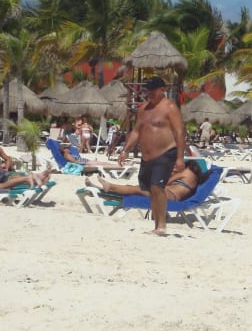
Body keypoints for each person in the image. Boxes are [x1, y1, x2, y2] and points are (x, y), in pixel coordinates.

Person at [117, 75, 186, 236]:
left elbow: (179, 131)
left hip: (166, 152)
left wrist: (180, 158)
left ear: (162, 90)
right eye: (148, 91)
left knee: (157, 187)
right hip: (147, 156)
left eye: (153, 91)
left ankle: (161, 226)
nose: (150, 94)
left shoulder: (169, 107)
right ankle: (157, 224)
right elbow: (136, 131)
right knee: (150, 190)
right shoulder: (144, 109)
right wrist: (125, 149)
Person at [88, 160, 207, 202]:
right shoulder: (192, 177)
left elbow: (166, 181)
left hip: (169, 196)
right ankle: (107, 188)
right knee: (135, 188)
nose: (175, 167)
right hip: (169, 194)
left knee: (138, 188)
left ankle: (110, 187)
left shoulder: (185, 172)